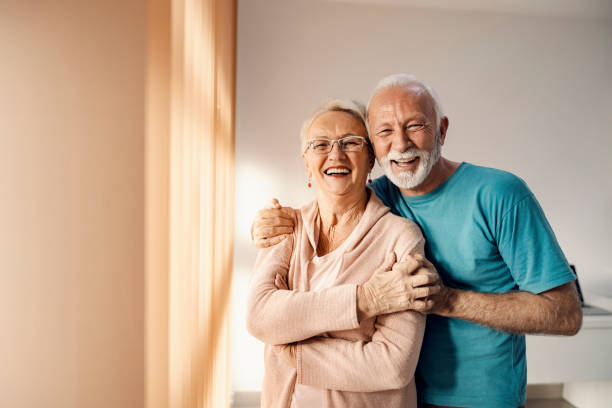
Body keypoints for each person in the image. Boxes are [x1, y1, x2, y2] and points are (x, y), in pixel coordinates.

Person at [251, 74, 583, 408]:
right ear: (375, 149)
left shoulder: (500, 195)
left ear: (441, 130)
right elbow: (333, 194)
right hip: (400, 397)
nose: (400, 144)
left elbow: (565, 314)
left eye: (415, 126)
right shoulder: (378, 196)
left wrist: (447, 300)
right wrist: (270, 224)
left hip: (480, 398)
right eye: (384, 132)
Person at [246, 99, 439, 408]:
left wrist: (294, 351)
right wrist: (367, 299)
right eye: (320, 144)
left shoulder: (401, 236)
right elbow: (259, 318)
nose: (335, 154)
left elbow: (391, 366)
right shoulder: (284, 226)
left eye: (350, 142)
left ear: (371, 158)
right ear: (306, 162)